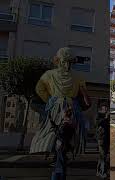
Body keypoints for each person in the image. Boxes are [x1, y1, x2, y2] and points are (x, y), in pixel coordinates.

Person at [29, 47, 90, 178]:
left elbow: (39, 89)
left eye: (69, 62)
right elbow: (84, 95)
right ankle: (61, 158)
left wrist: (50, 101)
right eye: (67, 62)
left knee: (55, 134)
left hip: (61, 108)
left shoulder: (50, 74)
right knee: (66, 135)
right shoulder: (77, 77)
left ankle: (58, 160)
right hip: (71, 109)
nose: (68, 65)